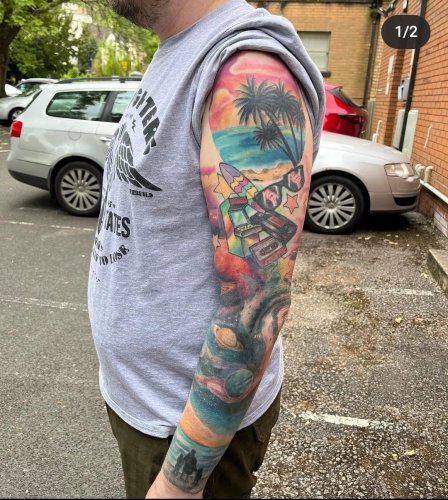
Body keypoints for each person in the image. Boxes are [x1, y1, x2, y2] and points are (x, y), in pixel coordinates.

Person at [87, 0, 324, 498]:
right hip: (147, 402)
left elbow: (256, 304)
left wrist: (181, 482)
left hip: (186, 430)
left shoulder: (247, 71)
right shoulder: (178, 49)